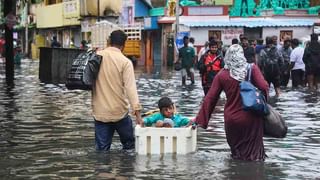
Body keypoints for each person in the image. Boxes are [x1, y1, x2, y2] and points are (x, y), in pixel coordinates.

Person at [191, 44, 269, 161]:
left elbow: (210, 98)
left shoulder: (222, 74)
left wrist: (199, 120)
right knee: (255, 156)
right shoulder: (252, 69)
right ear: (242, 55)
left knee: (236, 154)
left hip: (232, 120)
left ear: (227, 56)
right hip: (251, 118)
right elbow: (264, 87)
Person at [93, 30, 143, 151]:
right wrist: (138, 114)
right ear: (124, 45)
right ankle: (126, 169)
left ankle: (102, 170)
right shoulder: (125, 62)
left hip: (100, 113)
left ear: (109, 41)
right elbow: (131, 89)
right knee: (130, 148)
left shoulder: (96, 57)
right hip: (119, 112)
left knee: (102, 151)